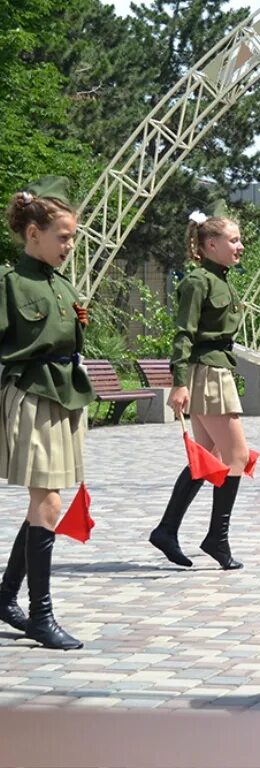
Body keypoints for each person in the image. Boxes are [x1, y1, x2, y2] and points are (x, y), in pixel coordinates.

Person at [0, 178, 92, 650]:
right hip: (32, 393)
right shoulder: (11, 284)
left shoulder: (62, 284)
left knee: (46, 504)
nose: (69, 245)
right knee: (48, 503)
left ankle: (5, 595)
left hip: (63, 394)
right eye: (63, 236)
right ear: (33, 233)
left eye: (73, 237)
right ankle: (41, 616)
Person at [149, 211, 251, 572]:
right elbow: (184, 334)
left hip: (216, 368)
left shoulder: (221, 279)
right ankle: (216, 538)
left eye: (239, 240)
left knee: (206, 457)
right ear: (211, 245)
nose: (240, 246)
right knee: (236, 456)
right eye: (233, 240)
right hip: (207, 372)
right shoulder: (198, 281)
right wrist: (178, 381)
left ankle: (166, 529)